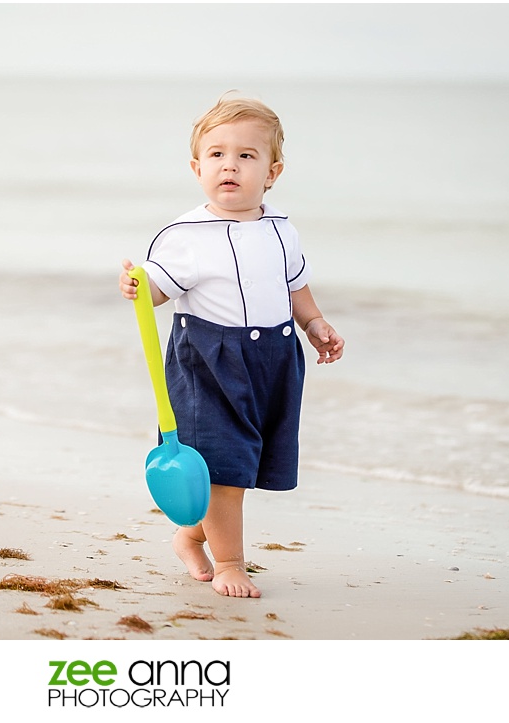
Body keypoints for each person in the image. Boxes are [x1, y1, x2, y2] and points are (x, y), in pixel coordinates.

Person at [118, 94, 344, 598]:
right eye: (217, 154)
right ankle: (229, 563)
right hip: (209, 364)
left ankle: (189, 535)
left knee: (241, 467)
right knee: (221, 470)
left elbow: (295, 285)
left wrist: (314, 323)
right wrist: (139, 286)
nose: (230, 165)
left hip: (273, 361)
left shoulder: (281, 228)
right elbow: (159, 288)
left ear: (272, 172)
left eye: (246, 155)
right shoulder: (185, 234)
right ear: (197, 168)